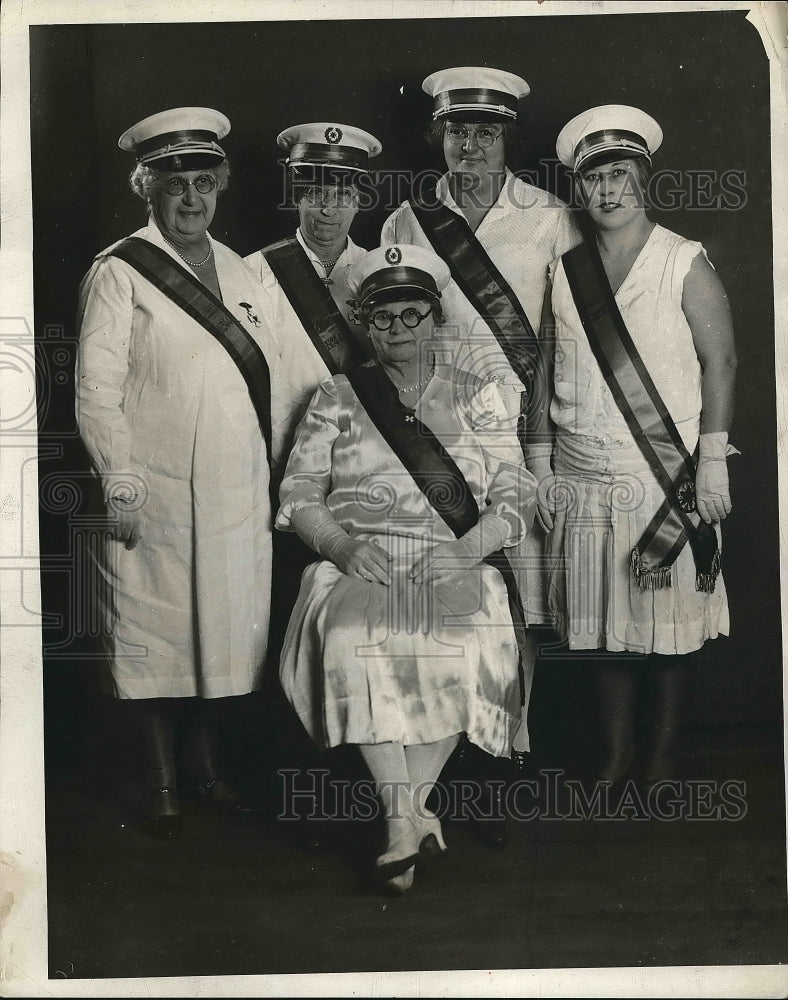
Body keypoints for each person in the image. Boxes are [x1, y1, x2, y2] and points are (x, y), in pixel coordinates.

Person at [275, 245, 537, 893]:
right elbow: (298, 495)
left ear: (436, 317)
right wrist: (338, 545)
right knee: (349, 639)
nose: (399, 330)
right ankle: (410, 817)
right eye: (382, 317)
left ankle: (402, 818)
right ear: (364, 321)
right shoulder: (336, 397)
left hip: (455, 556)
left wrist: (469, 549)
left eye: (413, 315)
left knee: (465, 637)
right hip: (359, 562)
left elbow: (518, 493)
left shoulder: (480, 395)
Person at [381, 65, 581, 843]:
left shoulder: (551, 216)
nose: (471, 144)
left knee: (524, 594)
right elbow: (391, 322)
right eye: (458, 130)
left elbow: (568, 332)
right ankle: (442, 766)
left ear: (507, 140)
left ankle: (512, 752)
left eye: (487, 132)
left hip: (521, 428)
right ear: (441, 135)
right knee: (449, 589)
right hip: (438, 432)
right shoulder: (408, 217)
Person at [75, 107, 288, 834]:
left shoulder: (240, 268)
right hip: (155, 490)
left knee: (221, 635)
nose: (192, 199)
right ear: (148, 189)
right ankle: (162, 784)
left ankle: (208, 772)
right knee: (156, 633)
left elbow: (275, 376)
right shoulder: (118, 270)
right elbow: (95, 391)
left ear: (220, 187)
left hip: (235, 488)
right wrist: (121, 481)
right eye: (176, 185)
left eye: (204, 183)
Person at [538, 105, 737, 787]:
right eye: (594, 180)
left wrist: (711, 462)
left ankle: (658, 756)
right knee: (604, 630)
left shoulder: (682, 260)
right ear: (578, 189)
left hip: (664, 477)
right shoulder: (566, 272)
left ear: (643, 179)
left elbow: (723, 363)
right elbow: (545, 368)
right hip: (583, 473)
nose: (607, 191)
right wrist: (542, 465)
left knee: (668, 627)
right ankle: (617, 753)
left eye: (620, 175)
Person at [243, 124, 383, 840]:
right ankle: (305, 788)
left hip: (371, 489)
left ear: (361, 196)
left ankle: (376, 787)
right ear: (294, 195)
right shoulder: (252, 275)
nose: (325, 208)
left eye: (341, 191)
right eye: (311, 190)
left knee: (368, 634)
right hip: (285, 485)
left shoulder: (383, 271)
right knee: (292, 635)